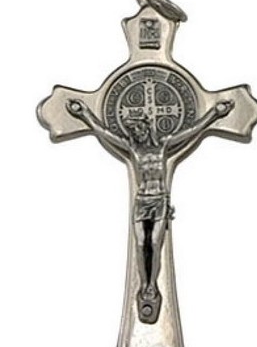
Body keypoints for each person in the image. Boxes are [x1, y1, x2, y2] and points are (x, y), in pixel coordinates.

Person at [66, 98, 234, 323]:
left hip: (159, 200)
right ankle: (144, 284)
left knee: (154, 244)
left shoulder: (164, 145)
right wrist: (84, 114)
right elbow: (104, 132)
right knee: (140, 245)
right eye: (133, 131)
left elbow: (193, 131)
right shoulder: (132, 149)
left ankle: (151, 285)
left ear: (146, 127)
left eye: (138, 129)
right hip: (141, 201)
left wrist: (214, 114)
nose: (137, 133)